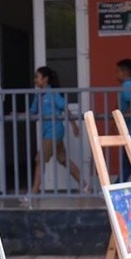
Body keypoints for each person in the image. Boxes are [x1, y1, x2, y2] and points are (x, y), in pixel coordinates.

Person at [27, 65, 85, 202]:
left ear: (45, 79)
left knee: (40, 160)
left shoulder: (53, 94)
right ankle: (85, 185)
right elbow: (32, 111)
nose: (35, 80)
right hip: (47, 131)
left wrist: (74, 125)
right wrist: (18, 115)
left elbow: (65, 108)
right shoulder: (39, 95)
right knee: (63, 159)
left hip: (55, 131)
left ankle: (34, 192)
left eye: (37, 77)